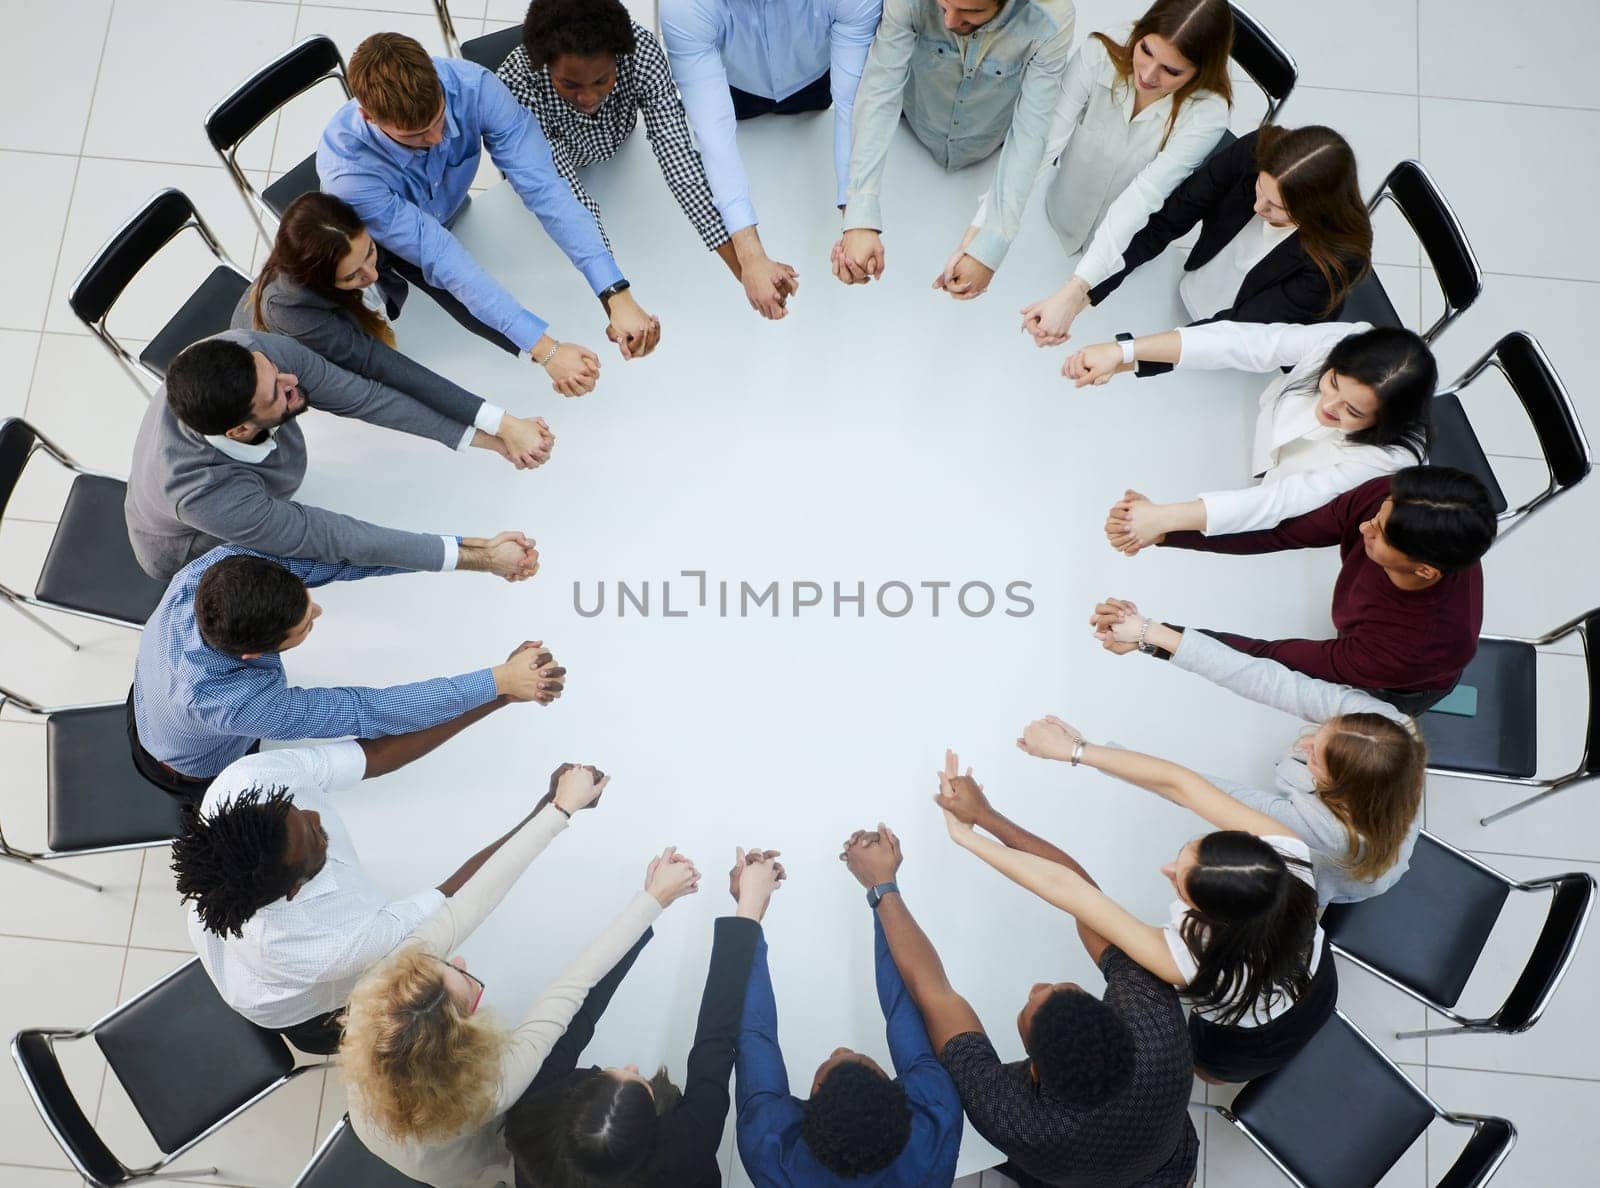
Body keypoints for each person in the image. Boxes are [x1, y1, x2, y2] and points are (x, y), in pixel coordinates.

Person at [842, 810, 1197, 1188]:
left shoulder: (1013, 1116)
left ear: (1034, 1070)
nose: (1038, 986)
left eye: (1030, 1007)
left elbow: (934, 994)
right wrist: (985, 817)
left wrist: (881, 886)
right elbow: (1085, 899)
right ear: (1116, 1018)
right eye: (1064, 990)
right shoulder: (1158, 1027)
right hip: (1168, 1172)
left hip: (1072, 1170)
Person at [341, 825, 703, 1187]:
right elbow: (571, 988)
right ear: (461, 1044)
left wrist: (557, 810)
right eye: (468, 988)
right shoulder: (495, 1089)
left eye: (444, 964)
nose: (462, 961)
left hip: (375, 1130)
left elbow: (463, 907)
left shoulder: (375, 992)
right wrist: (653, 899)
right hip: (446, 1169)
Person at [947, 743, 1331, 1084]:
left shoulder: (1190, 961)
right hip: (1319, 979)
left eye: (1180, 884)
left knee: (1207, 1066)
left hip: (1252, 1040)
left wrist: (968, 835)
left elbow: (1069, 889)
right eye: (1183, 855)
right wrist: (1076, 750)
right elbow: (1182, 783)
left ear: (1216, 918)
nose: (1166, 870)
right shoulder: (1288, 855)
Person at [176, 757, 601, 1055]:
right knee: (345, 1031)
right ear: (294, 889)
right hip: (296, 1011)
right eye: (313, 837)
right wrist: (554, 810)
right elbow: (459, 897)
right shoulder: (335, 946)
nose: (316, 817)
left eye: (297, 811)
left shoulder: (236, 794)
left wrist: (498, 690)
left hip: (237, 960)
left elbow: (364, 755)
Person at [318, 32, 660, 396]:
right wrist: (547, 350)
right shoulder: (350, 177)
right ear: (368, 117)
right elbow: (441, 256)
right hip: (383, 252)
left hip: (452, 217)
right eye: (416, 135)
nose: (437, 138)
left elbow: (545, 188)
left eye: (440, 119)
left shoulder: (474, 88)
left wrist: (614, 292)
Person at [129, 545, 565, 794]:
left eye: (305, 600)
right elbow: (372, 711)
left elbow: (337, 559)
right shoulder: (226, 704)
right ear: (252, 656)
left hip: (150, 694)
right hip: (188, 764)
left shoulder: (216, 568)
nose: (317, 608)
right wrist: (500, 680)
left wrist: (479, 555)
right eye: (304, 624)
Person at [126, 330, 545, 582]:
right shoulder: (202, 493)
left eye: (275, 370)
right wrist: (481, 556)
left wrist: (492, 439)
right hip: (187, 545)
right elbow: (336, 538)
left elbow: (364, 397)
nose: (292, 379)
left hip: (242, 478)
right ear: (238, 430)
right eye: (277, 393)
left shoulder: (246, 352)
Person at [1092, 605, 1426, 904]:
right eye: (1325, 729)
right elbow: (1267, 679)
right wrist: (1149, 633)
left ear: (1341, 788)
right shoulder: (1389, 724)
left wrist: (1084, 751)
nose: (1305, 743)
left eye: (1316, 758)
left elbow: (1193, 789)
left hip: (1348, 874)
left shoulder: (1328, 831)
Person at [1109, 466, 1495, 714]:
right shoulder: (1394, 500)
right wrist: (1163, 529)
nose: (1365, 528)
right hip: (1373, 644)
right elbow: (1283, 530)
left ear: (1425, 570)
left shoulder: (1412, 646)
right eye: (1376, 516)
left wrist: (1151, 637)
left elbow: (1271, 663)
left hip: (1395, 687)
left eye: (1379, 533)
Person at [504, 847, 786, 1186]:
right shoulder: (686, 1149)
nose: (633, 1067)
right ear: (654, 1132)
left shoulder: (532, 1114)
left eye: (614, 1075)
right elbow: (715, 1040)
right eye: (638, 1083)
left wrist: (652, 902)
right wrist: (749, 908)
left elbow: (580, 1013)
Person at [234, 192, 553, 466]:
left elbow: (440, 282)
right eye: (351, 277)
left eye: (370, 253)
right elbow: (385, 372)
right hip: (279, 375)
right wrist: (501, 424)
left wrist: (537, 349)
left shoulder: (356, 230)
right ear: (317, 280)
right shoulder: (291, 314)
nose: (371, 274)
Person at [973, 0, 1233, 331]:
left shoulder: (1208, 113)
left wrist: (1076, 290)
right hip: (1056, 214)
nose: (1149, 75)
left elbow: (1142, 196)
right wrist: (987, 231)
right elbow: (1043, 144)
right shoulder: (1099, 52)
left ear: (1201, 71)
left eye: (1172, 70)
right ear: (1139, 33)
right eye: (1146, 50)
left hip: (1122, 250)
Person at [1065, 321, 1437, 542]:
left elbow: (1281, 501)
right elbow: (1244, 342)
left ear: (1384, 422)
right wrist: (1124, 353)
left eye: (1353, 411)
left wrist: (1165, 518)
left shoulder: (1390, 459)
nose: (1329, 405)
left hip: (1285, 506)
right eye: (1332, 382)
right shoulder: (1346, 338)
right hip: (1258, 438)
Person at [735, 840, 962, 1186]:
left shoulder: (772, 1147)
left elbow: (755, 1035)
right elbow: (905, 1005)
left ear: (807, 1114)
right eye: (858, 1058)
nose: (840, 1050)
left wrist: (749, 909)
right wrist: (880, 888)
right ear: (897, 1092)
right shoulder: (935, 1117)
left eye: (831, 1062)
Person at [1026, 125, 1373, 344]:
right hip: (1192, 291)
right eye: (1259, 190)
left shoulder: (1336, 261)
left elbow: (1240, 333)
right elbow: (1166, 221)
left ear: (1314, 210)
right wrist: (1079, 296)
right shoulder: (1253, 152)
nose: (1257, 208)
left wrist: (1131, 352)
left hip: (1244, 343)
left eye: (1275, 207)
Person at [835, 0, 1077, 300]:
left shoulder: (1053, 19)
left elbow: (1031, 132)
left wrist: (992, 242)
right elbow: (880, 90)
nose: (949, 22)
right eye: (943, 5)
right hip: (913, 126)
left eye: (971, 12)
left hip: (990, 144)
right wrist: (859, 214)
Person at [661, 0, 883, 319]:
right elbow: (713, 135)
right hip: (735, 91)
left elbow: (852, 105)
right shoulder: (685, 7)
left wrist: (857, 220)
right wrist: (750, 256)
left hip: (815, 84)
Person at [497, 0, 736, 284]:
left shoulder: (641, 50)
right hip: (558, 171)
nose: (587, 99)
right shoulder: (517, 84)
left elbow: (678, 158)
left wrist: (741, 267)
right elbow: (567, 197)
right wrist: (614, 291)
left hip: (622, 155)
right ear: (544, 66)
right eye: (570, 85)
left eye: (601, 80)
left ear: (618, 58)